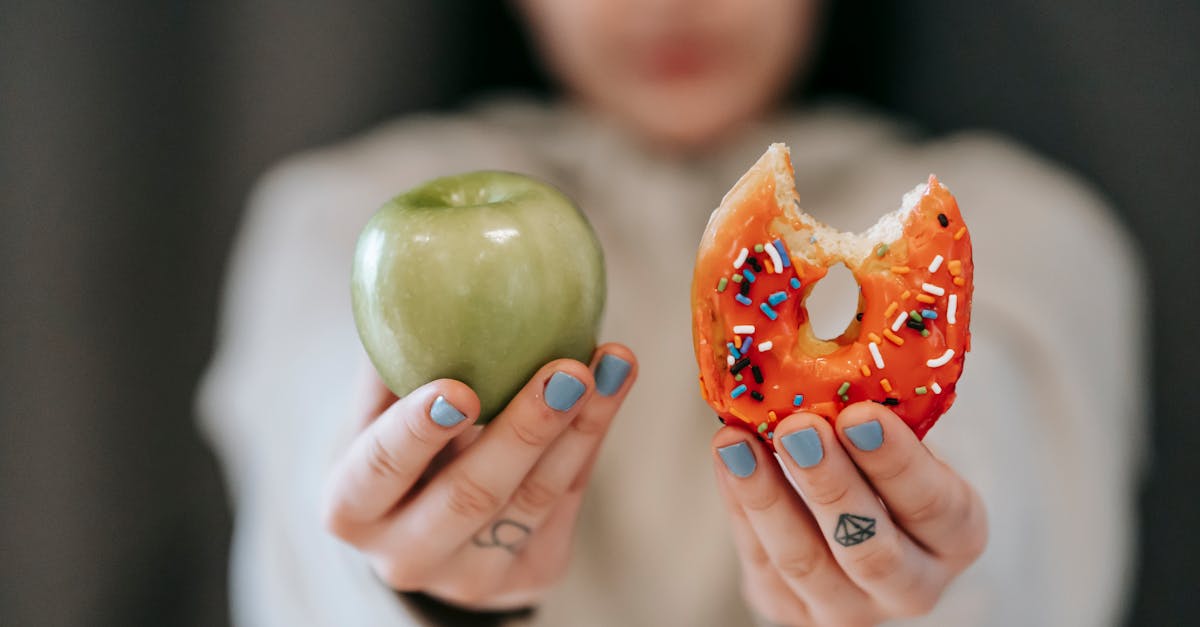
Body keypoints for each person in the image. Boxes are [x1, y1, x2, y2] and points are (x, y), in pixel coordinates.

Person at [197, 1, 1145, 625]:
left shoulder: (1028, 222)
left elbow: (1012, 468)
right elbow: (310, 465)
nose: (668, 3)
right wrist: (414, 583)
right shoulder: (333, 212)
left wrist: (926, 570)